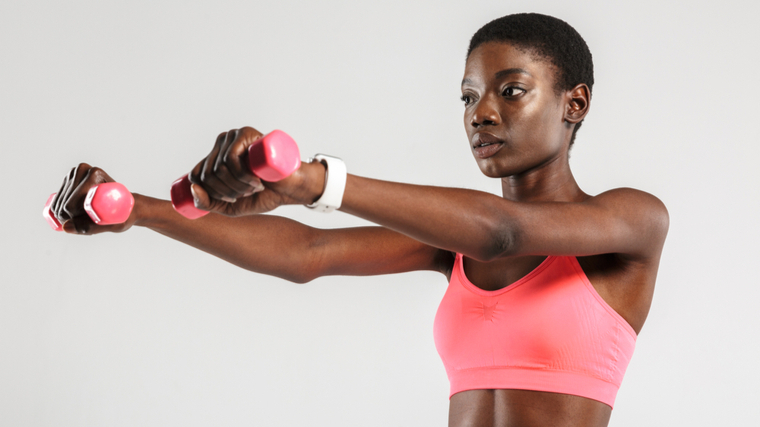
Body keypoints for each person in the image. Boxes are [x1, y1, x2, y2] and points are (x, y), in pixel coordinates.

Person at [48, 13, 668, 427]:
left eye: (510, 90)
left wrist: (316, 180)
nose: (479, 113)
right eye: (467, 96)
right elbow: (305, 256)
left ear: (575, 102)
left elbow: (503, 230)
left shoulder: (631, 222)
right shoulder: (451, 241)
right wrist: (139, 210)